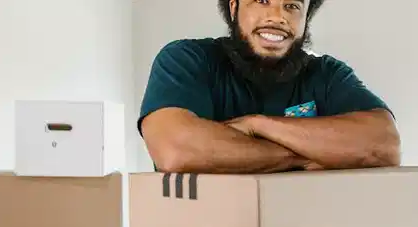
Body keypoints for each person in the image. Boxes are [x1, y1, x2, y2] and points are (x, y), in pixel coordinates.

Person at [138, 0, 401, 174]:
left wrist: (258, 125)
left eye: (291, 5)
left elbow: (384, 143)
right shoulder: (186, 60)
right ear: (233, 7)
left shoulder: (326, 74)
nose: (278, 16)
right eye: (262, 0)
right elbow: (176, 150)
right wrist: (305, 157)